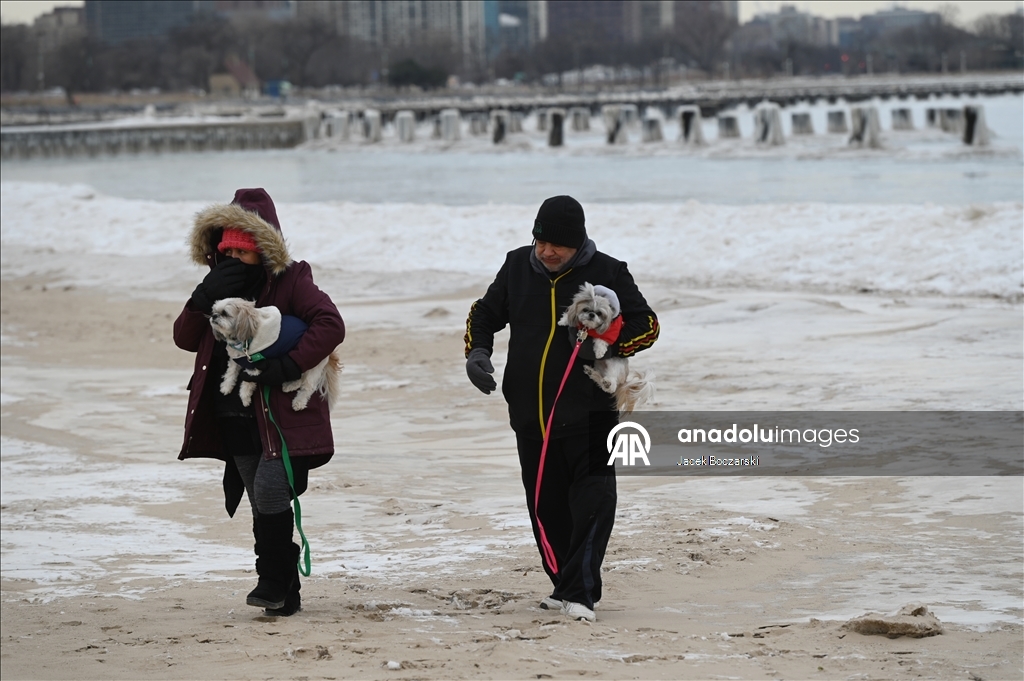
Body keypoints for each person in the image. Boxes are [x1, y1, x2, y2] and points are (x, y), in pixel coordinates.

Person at [463, 195, 659, 622]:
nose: (546, 251)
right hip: (531, 415)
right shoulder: (517, 266)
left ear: (578, 243)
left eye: (557, 245)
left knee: (593, 502)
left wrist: (605, 344)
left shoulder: (608, 271)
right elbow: (484, 312)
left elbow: (648, 325)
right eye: (540, 241)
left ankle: (581, 593)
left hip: (591, 414)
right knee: (546, 508)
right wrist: (478, 352)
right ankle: (565, 584)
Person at [173, 188, 345, 616]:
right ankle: (287, 592)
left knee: (270, 492)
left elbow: (331, 324)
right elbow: (183, 339)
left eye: (244, 251)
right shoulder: (214, 289)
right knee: (260, 498)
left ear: (265, 248)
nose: (233, 258)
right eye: (226, 249)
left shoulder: (292, 279)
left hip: (282, 414)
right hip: (232, 410)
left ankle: (269, 582)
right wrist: (201, 298)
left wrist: (286, 365)